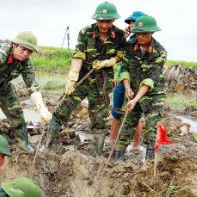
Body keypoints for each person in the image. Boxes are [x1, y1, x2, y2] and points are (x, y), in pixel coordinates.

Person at [42, 1, 126, 156]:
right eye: (101, 21)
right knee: (62, 109)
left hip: (102, 82)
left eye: (108, 21)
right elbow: (79, 55)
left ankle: (97, 156)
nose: (104, 25)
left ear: (113, 20)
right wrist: (72, 77)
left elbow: (120, 55)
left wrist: (110, 61)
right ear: (96, 19)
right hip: (83, 78)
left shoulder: (120, 35)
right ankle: (46, 146)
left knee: (99, 119)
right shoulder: (85, 32)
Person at [114, 15, 167, 162]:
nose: (140, 36)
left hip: (153, 94)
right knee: (126, 124)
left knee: (151, 127)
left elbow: (150, 80)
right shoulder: (130, 47)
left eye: (144, 33)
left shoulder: (160, 52)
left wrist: (136, 99)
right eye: (137, 33)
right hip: (133, 89)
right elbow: (124, 69)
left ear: (152, 33)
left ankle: (149, 164)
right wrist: (127, 87)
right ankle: (116, 160)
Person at [108, 11, 146, 152]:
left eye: (134, 22)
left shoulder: (146, 44)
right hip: (122, 80)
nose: (131, 25)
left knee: (135, 116)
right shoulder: (128, 41)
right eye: (130, 23)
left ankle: (135, 145)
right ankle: (111, 141)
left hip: (137, 84)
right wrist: (123, 36)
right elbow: (114, 51)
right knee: (116, 112)